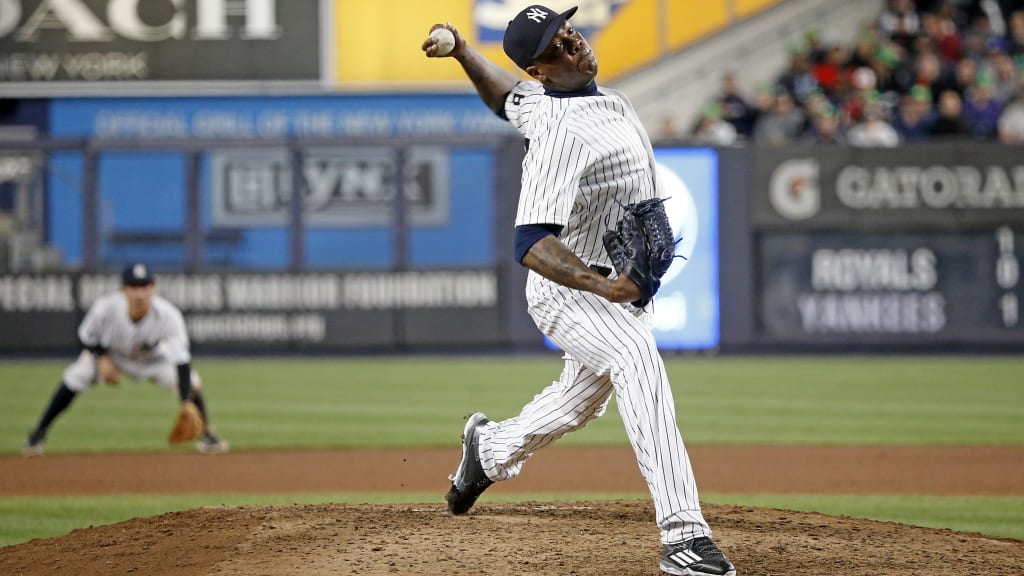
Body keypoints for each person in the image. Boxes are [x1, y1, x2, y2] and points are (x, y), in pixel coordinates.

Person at [421, 6, 736, 576]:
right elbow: (531, 242)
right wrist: (603, 286)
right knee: (637, 358)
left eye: (566, 29)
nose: (571, 41)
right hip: (569, 288)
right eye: (554, 45)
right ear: (544, 70)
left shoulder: (563, 97)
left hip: (606, 285)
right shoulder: (561, 134)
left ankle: (486, 451)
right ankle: (684, 535)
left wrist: (465, 51)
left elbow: (506, 98)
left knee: (577, 404)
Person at [22, 263, 228, 456]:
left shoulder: (168, 315)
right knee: (76, 375)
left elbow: (182, 360)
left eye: (145, 287)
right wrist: (101, 358)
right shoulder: (106, 307)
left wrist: (185, 402)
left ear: (153, 288)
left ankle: (207, 435)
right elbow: (85, 335)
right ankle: (38, 434)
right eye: (133, 287)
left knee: (193, 383)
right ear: (123, 290)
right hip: (113, 355)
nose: (140, 293)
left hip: (153, 361)